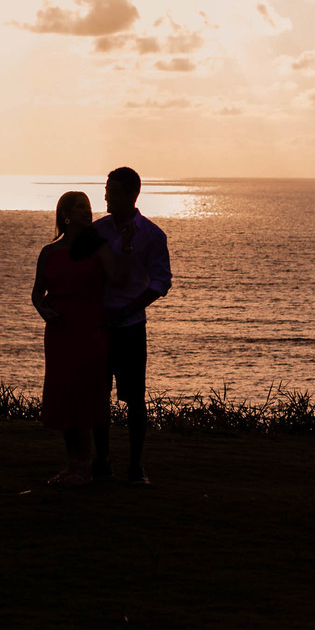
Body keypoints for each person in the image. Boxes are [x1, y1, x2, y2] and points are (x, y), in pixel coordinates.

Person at [31, 191, 131, 486]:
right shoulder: (49, 252)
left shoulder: (98, 247)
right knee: (64, 394)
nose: (88, 211)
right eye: (80, 207)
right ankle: (73, 464)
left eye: (88, 206)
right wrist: (43, 309)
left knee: (85, 395)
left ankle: (84, 467)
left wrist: (127, 246)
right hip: (60, 332)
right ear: (65, 214)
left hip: (90, 331)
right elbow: (37, 292)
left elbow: (119, 279)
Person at [92, 167, 172, 485]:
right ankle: (102, 461)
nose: (106, 197)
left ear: (131, 195)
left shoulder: (152, 235)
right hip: (100, 325)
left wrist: (126, 310)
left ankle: (135, 466)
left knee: (135, 399)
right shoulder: (98, 230)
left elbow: (161, 282)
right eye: (106, 190)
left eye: (112, 191)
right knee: (98, 395)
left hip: (131, 327)